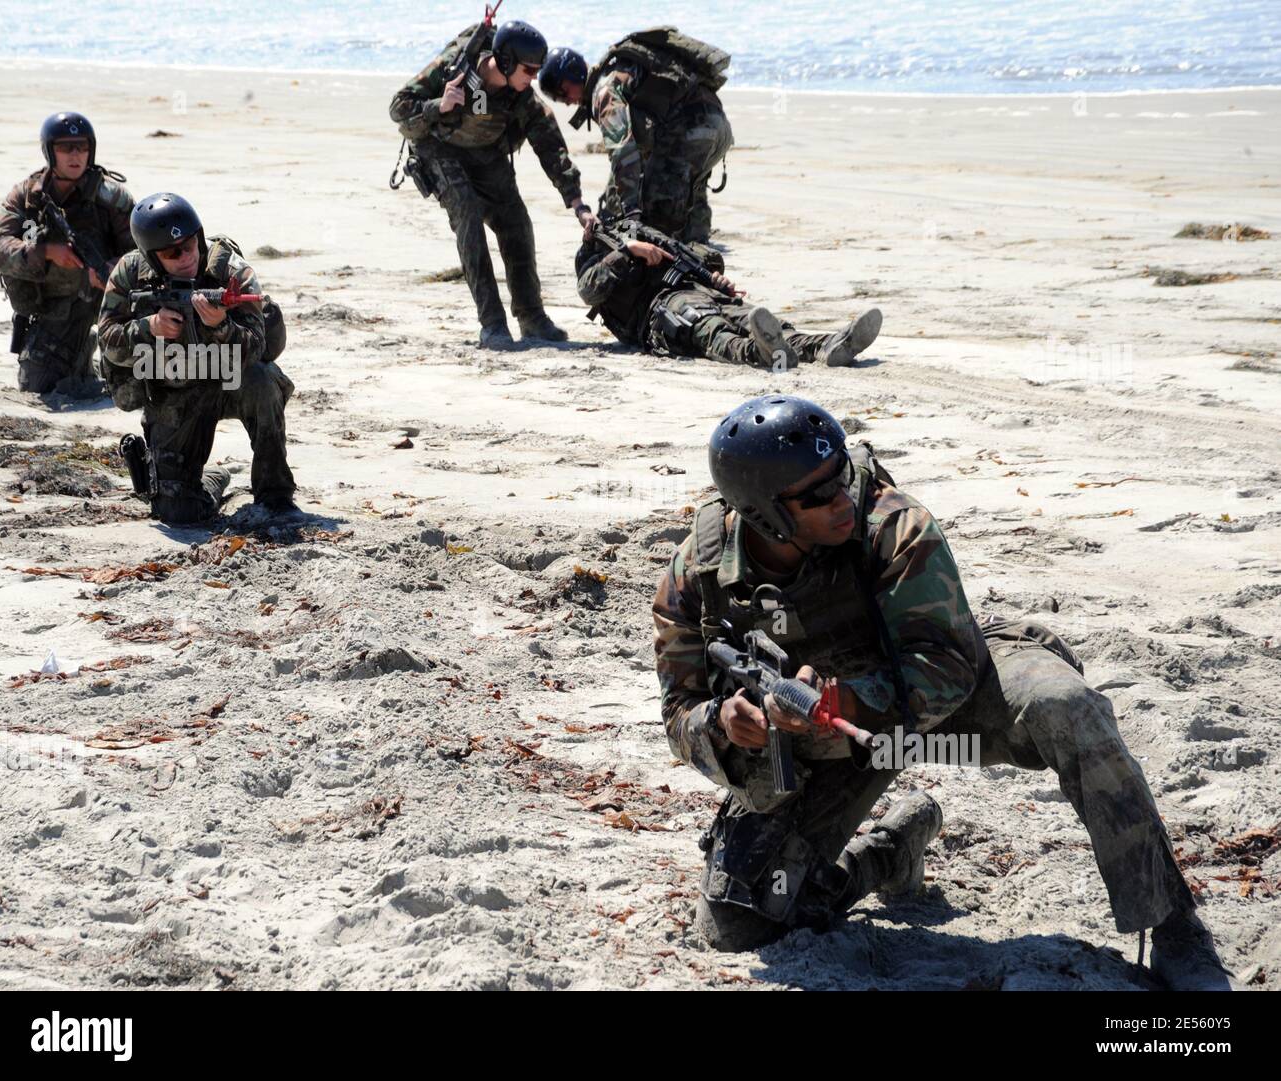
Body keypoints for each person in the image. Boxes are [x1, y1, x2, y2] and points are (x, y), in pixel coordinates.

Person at [651, 394, 1233, 990]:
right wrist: (725, 723)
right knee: (740, 927)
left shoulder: (891, 524)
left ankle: (1176, 926)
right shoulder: (696, 575)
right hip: (830, 747)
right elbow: (678, 712)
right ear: (766, 513)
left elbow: (950, 665)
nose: (841, 498)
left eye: (842, 475)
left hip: (946, 703)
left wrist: (846, 699)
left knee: (1068, 708)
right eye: (816, 495)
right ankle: (889, 853)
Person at [390, 19, 595, 350]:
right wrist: (437, 106)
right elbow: (398, 107)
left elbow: (551, 147)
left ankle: (531, 317)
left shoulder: (522, 96)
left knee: (516, 222)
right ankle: (492, 323)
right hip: (439, 149)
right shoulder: (453, 68)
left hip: (486, 153)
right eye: (529, 70)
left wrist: (577, 204)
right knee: (468, 217)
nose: (533, 79)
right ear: (507, 61)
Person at [98, 192, 297, 525]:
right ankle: (213, 481)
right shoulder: (129, 273)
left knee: (263, 380)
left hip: (230, 381)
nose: (186, 256)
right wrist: (150, 327)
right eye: (173, 253)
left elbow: (258, 346)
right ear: (152, 256)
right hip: (174, 393)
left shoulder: (230, 271)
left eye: (190, 245)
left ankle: (275, 493)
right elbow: (107, 340)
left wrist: (221, 326)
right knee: (177, 514)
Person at [576, 218, 882, 369]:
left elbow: (700, 257)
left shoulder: (646, 233)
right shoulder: (594, 256)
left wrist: (715, 277)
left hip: (698, 289)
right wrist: (628, 252)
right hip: (660, 308)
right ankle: (761, 356)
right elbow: (588, 290)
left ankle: (826, 346)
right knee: (712, 330)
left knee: (757, 321)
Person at [0, 111, 133, 396]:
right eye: (66, 147)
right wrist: (45, 252)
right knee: (38, 386)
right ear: (49, 151)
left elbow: (141, 255)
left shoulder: (112, 198)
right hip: (52, 307)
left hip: (109, 306)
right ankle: (83, 348)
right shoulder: (27, 196)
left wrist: (111, 273)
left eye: (82, 147)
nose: (75, 155)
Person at [540, 29, 733, 242]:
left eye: (563, 93)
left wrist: (631, 213)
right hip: (717, 125)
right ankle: (699, 249)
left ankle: (680, 257)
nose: (566, 102)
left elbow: (623, 151)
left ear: (573, 75)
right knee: (691, 194)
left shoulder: (603, 92)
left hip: (690, 130)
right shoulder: (619, 71)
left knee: (659, 213)